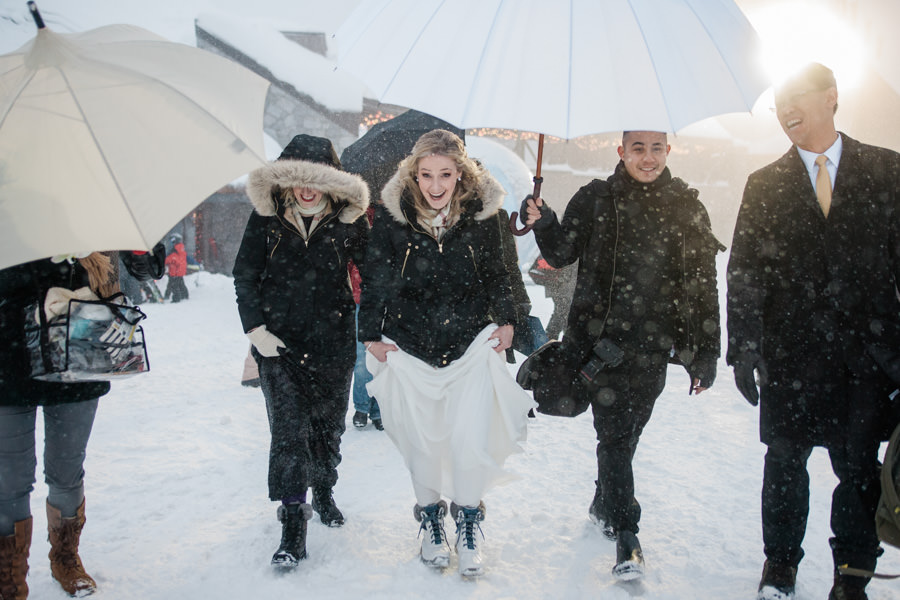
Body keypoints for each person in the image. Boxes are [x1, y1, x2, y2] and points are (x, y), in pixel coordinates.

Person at [727, 62, 900, 600]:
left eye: (798, 96)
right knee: (784, 462)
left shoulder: (889, 171)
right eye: (780, 100)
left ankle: (852, 576)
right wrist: (744, 348)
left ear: (831, 97)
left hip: (870, 357)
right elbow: (745, 271)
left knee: (859, 469)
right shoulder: (764, 184)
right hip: (792, 354)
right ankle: (779, 565)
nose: (787, 108)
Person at [523, 130, 723, 581]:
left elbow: (702, 284)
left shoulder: (686, 205)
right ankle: (627, 533)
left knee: (628, 435)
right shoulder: (594, 198)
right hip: (598, 345)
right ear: (621, 152)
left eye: (656, 149)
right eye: (638, 149)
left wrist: (705, 353)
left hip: (652, 349)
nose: (647, 158)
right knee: (614, 437)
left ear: (668, 151)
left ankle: (603, 499)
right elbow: (561, 251)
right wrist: (542, 218)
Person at [359, 129, 534, 577]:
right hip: (410, 344)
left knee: (469, 438)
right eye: (426, 175)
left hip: (470, 340)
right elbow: (377, 278)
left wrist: (511, 319)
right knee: (422, 440)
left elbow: (501, 271)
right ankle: (431, 520)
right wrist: (370, 334)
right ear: (413, 174)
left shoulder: (485, 216)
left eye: (446, 174)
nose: (435, 186)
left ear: (462, 173)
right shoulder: (392, 216)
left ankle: (469, 521)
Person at [232, 134, 369, 568]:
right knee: (288, 432)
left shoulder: (350, 221)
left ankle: (324, 490)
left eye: (317, 180)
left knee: (328, 430)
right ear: (284, 179)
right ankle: (294, 521)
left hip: (333, 344)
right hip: (280, 347)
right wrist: (255, 329)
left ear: (332, 183)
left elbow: (377, 275)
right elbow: (245, 275)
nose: (307, 189)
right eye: (297, 179)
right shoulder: (266, 218)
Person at [0, 246, 163, 599]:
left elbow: (128, 289)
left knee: (66, 470)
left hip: (76, 356)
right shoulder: (9, 216)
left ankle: (66, 558)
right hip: (8, 359)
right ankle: (9, 577)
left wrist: (139, 260)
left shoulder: (89, 221)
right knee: (10, 479)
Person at [348, 207, 382, 431]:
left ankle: (379, 409)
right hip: (359, 296)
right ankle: (361, 406)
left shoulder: (388, 216)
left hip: (382, 297)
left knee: (381, 357)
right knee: (362, 356)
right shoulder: (353, 216)